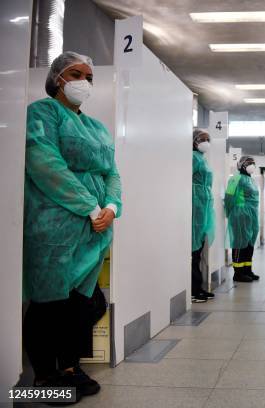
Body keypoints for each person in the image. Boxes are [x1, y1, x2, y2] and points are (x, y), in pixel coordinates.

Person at [22, 51, 122, 403]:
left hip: (95, 228)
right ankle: (44, 376)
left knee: (81, 303)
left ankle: (69, 366)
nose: (83, 82)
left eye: (88, 77)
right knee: (50, 302)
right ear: (57, 79)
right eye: (75, 74)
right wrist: (90, 206)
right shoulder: (42, 113)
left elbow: (111, 171)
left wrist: (110, 207)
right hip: (55, 224)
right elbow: (44, 163)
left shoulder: (96, 127)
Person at [224, 155, 260, 282]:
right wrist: (229, 213)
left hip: (252, 216)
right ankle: (238, 273)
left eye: (253, 163)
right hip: (239, 214)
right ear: (242, 165)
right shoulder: (236, 178)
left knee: (249, 243)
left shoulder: (252, 181)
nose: (252, 165)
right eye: (249, 162)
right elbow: (229, 197)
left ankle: (247, 270)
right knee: (240, 243)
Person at [191, 128, 216, 302]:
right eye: (202, 139)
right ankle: (193, 290)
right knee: (192, 253)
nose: (206, 142)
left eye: (208, 139)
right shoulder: (192, 157)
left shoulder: (203, 159)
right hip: (195, 206)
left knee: (198, 251)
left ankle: (198, 287)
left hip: (203, 208)